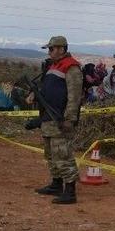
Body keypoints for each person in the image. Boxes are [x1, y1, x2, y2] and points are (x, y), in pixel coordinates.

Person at [32, 36, 83, 204]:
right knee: (50, 153)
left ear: (61, 49)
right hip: (48, 118)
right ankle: (56, 184)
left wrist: (70, 119)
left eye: (51, 49)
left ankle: (70, 191)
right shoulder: (52, 66)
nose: (49, 52)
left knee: (62, 153)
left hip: (60, 119)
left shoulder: (71, 67)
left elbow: (74, 97)